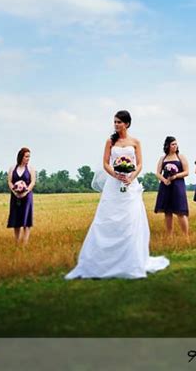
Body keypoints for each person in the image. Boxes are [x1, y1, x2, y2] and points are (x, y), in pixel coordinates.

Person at [65, 110, 169, 279]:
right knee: (106, 220)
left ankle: (130, 261)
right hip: (114, 184)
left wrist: (131, 177)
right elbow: (105, 163)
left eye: (119, 122)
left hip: (130, 184)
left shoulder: (135, 142)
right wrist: (116, 175)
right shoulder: (110, 141)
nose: (116, 124)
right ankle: (101, 262)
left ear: (127, 124)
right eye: (115, 122)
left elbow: (140, 163)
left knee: (130, 220)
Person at [154, 136, 189, 238]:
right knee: (167, 212)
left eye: (176, 144)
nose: (175, 146)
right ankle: (170, 236)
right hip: (166, 186)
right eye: (173, 144)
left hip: (178, 186)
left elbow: (187, 172)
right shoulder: (163, 158)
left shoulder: (180, 157)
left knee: (180, 212)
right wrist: (164, 180)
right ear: (168, 146)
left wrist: (175, 176)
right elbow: (157, 173)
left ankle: (186, 236)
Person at [7, 147, 36, 244]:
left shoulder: (31, 168)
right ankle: (17, 241)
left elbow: (32, 182)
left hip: (27, 197)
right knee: (16, 219)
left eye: (29, 157)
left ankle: (25, 243)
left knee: (26, 220)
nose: (28, 158)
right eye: (26, 156)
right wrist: (15, 191)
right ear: (21, 157)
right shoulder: (12, 168)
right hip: (15, 197)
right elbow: (10, 182)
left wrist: (26, 191)